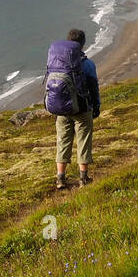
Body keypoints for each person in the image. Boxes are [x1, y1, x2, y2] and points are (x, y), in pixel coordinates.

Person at [50, 28, 100, 190]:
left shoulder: (57, 62)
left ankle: (60, 179)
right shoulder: (87, 65)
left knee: (63, 142)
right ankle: (83, 178)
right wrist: (96, 107)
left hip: (62, 110)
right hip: (82, 109)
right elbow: (94, 88)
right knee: (83, 141)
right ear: (83, 45)